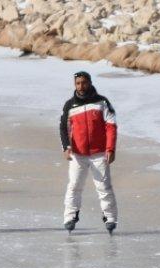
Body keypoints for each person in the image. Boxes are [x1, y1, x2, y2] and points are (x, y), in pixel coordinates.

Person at [59, 71, 118, 233]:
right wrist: (66, 147)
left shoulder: (102, 102)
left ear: (90, 83)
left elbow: (111, 126)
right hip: (77, 154)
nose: (81, 86)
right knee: (74, 186)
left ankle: (110, 218)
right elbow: (63, 127)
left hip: (99, 153)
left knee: (104, 187)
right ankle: (70, 216)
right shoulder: (70, 105)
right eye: (78, 83)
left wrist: (111, 148)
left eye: (84, 83)